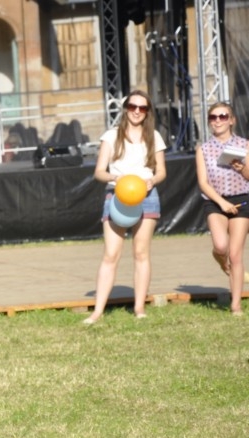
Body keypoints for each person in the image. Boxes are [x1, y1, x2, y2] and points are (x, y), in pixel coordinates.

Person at [84, 90, 167, 324]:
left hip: (147, 196)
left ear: (148, 112)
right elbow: (99, 172)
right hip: (116, 197)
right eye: (132, 107)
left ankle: (139, 308)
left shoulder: (154, 137)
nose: (137, 112)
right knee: (111, 254)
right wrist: (115, 178)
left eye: (142, 108)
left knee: (141, 253)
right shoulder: (111, 136)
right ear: (126, 108)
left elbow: (161, 171)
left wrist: (152, 180)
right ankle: (97, 311)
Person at [195, 101, 249, 315]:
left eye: (223, 116)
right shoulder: (203, 149)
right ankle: (220, 261)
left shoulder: (244, 145)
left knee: (235, 254)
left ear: (231, 120)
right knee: (220, 246)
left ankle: (235, 304)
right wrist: (222, 202)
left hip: (242, 199)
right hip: (215, 201)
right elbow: (203, 183)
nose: (218, 121)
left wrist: (242, 168)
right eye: (213, 117)